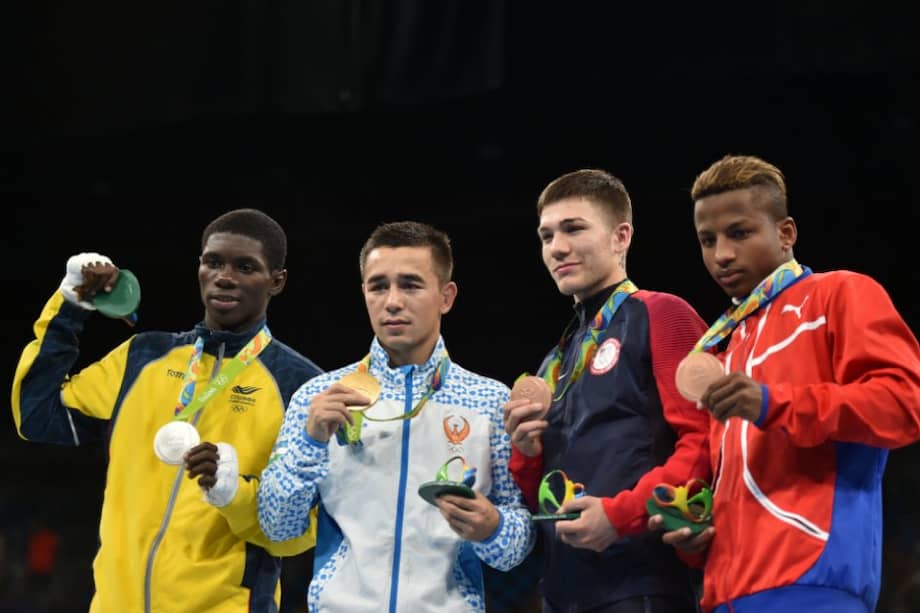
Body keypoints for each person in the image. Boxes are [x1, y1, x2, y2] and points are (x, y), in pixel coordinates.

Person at [11, 208, 322, 612]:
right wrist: (71, 306)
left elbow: (301, 530)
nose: (224, 276)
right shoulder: (142, 357)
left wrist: (234, 494)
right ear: (199, 268)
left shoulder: (299, 386)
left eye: (245, 267)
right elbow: (37, 415)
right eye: (213, 262)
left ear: (276, 281)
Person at [651, 154, 920, 612]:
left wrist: (774, 403)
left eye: (739, 233)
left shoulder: (841, 294)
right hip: (724, 595)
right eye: (707, 240)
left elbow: (902, 405)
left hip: (813, 581)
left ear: (786, 233)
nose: (722, 255)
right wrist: (696, 537)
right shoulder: (722, 345)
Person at [258, 220, 535, 613]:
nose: (392, 301)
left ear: (446, 296)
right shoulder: (319, 398)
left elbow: (516, 548)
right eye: (378, 286)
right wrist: (310, 441)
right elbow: (276, 526)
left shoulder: (489, 401)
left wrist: (493, 528)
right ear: (364, 294)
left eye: (410, 284)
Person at [504, 169, 711, 612]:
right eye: (546, 235)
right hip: (561, 593)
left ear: (621, 237)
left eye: (574, 228)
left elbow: (705, 441)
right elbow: (538, 493)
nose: (556, 247)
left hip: (641, 584)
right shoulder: (554, 361)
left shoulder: (662, 313)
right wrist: (526, 454)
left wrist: (621, 517)